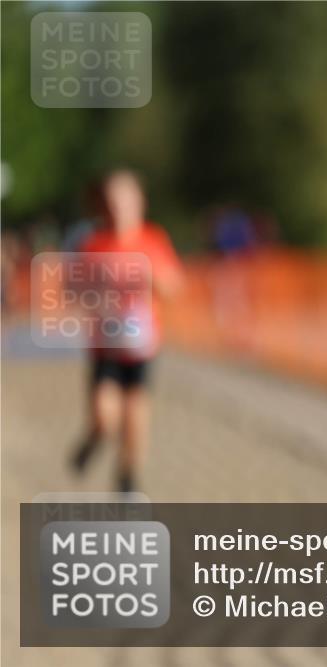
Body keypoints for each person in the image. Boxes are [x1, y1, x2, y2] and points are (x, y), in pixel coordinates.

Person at [69, 169, 183, 493]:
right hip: (106, 345)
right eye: (112, 201)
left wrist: (152, 279)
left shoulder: (153, 240)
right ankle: (93, 439)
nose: (119, 207)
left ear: (140, 202)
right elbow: (74, 287)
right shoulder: (93, 244)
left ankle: (127, 478)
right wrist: (97, 291)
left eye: (125, 199)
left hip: (142, 345)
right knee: (106, 416)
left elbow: (174, 285)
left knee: (135, 417)